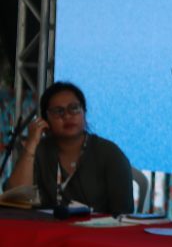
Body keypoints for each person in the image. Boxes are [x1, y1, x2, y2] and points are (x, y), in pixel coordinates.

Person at [5, 81, 134, 214]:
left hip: (98, 227)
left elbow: (124, 213)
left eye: (74, 108)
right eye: (58, 111)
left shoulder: (109, 153)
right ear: (45, 120)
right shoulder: (39, 150)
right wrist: (31, 145)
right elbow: (15, 202)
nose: (67, 116)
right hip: (46, 225)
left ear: (84, 112)